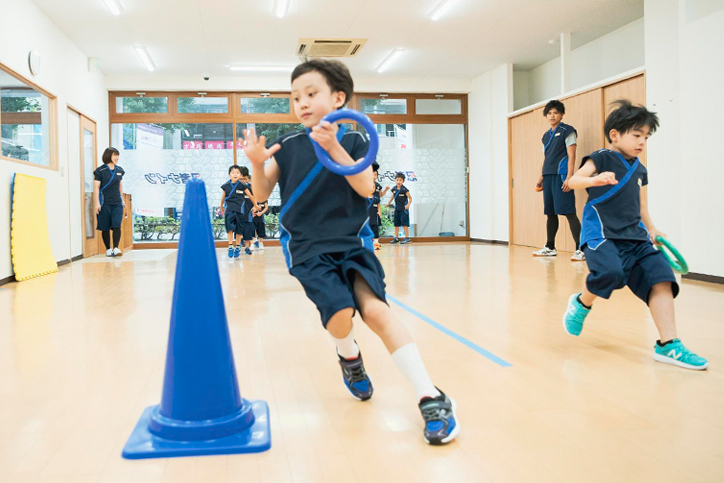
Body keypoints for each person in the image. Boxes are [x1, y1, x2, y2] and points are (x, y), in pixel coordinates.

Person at [241, 58, 459, 445]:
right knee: (340, 316)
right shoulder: (289, 147)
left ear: (339, 98)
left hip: (351, 243)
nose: (302, 103)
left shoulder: (356, 139)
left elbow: (364, 187)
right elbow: (260, 194)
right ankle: (349, 357)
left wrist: (333, 147)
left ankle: (431, 395)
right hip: (306, 249)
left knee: (376, 311)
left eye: (311, 94)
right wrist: (257, 165)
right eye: (295, 97)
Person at [562, 100, 708, 370]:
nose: (642, 141)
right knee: (611, 274)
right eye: (636, 134)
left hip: (637, 237)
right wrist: (594, 180)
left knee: (662, 278)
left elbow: (640, 204)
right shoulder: (600, 158)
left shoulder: (640, 169)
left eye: (646, 137)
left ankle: (669, 345)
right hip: (602, 235)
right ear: (615, 134)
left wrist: (652, 228)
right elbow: (573, 181)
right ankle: (581, 304)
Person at [533, 100, 584, 261]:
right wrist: (540, 178)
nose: (552, 115)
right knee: (550, 213)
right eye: (549, 113)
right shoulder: (546, 136)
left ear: (561, 114)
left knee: (569, 212)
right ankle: (550, 246)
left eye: (555, 112)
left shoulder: (567, 131)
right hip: (547, 176)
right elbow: (546, 157)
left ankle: (581, 248)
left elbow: (572, 155)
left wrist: (569, 177)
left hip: (561, 176)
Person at [94, 147, 126, 257]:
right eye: (114, 155)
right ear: (108, 156)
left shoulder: (120, 170)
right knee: (105, 227)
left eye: (117, 155)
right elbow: (97, 187)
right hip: (104, 203)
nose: (117, 157)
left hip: (117, 202)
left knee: (117, 224)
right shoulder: (100, 171)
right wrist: (97, 203)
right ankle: (108, 249)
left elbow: (120, 186)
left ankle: (116, 248)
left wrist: (122, 200)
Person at [219, 165, 246, 258]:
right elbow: (223, 197)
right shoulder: (225, 186)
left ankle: (238, 247)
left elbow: (251, 196)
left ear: (240, 175)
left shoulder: (242, 186)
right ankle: (230, 246)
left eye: (237, 173)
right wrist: (221, 207)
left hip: (240, 211)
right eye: (233, 172)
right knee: (229, 229)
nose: (235, 174)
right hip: (229, 211)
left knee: (239, 231)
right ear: (229, 174)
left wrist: (255, 205)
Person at [386, 173, 411, 244]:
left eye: (400, 180)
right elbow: (393, 196)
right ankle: (396, 238)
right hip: (397, 209)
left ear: (403, 181)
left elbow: (410, 198)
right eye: (397, 180)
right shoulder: (394, 189)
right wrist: (388, 203)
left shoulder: (405, 189)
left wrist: (408, 205)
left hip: (403, 209)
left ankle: (407, 238)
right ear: (395, 180)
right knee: (396, 224)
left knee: (404, 224)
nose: (398, 182)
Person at [369, 162, 388, 250]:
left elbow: (380, 196)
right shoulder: (365, 184)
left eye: (375, 175)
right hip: (368, 209)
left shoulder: (378, 186)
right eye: (372, 174)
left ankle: (376, 243)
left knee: (375, 227)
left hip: (375, 208)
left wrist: (386, 190)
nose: (374, 176)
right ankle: (368, 243)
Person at [240, 168, 259, 255]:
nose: (243, 180)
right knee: (239, 230)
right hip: (238, 213)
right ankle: (238, 245)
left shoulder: (251, 188)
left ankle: (247, 247)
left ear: (247, 178)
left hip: (248, 213)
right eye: (241, 179)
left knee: (248, 230)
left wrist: (255, 207)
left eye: (244, 178)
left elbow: (256, 198)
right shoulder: (236, 188)